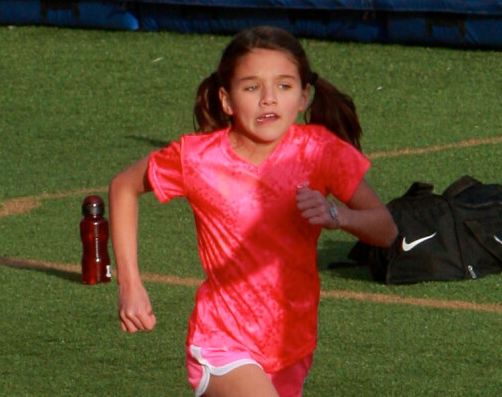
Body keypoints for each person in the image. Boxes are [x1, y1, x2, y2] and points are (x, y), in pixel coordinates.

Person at [109, 25, 398, 397]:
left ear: (303, 96)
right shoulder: (196, 158)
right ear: (226, 100)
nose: (268, 99)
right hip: (222, 342)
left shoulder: (319, 152)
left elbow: (387, 230)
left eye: (283, 85)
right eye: (251, 87)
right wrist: (130, 285)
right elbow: (123, 187)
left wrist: (336, 216)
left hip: (292, 347)